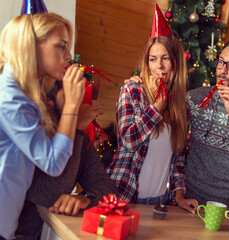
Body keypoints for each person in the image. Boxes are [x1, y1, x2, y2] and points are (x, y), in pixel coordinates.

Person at [125, 15, 229, 210]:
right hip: (190, 204)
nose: (222, 70)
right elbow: (165, 113)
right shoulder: (194, 98)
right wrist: (139, 81)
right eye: (221, 62)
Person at [0, 13, 85, 239]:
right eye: (61, 46)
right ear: (31, 47)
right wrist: (72, 107)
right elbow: (52, 162)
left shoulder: (23, 95)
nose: (69, 56)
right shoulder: (11, 100)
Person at [106, 4, 198, 213]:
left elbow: (178, 161)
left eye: (165, 58)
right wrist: (156, 107)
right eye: (153, 59)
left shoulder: (181, 107)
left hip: (158, 202)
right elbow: (128, 139)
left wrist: (180, 197)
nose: (159, 67)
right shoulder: (132, 90)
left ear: (175, 63)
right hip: (124, 195)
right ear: (146, 63)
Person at [15, 80, 117, 239]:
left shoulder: (81, 141)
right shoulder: (33, 130)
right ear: (49, 103)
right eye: (70, 95)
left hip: (50, 233)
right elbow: (48, 195)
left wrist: (86, 197)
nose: (78, 100)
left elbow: (107, 186)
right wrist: (75, 129)